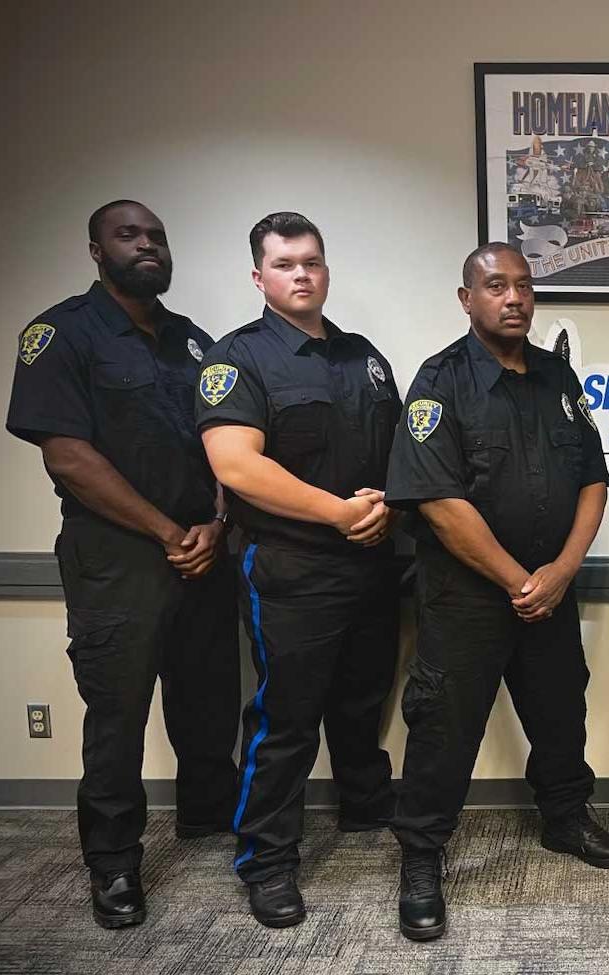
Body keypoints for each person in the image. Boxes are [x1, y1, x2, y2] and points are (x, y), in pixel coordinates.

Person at [5, 200, 239, 929]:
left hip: (203, 551)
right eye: (128, 235)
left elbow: (228, 442)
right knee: (118, 715)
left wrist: (217, 523)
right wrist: (170, 530)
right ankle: (113, 865)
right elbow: (68, 456)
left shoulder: (193, 343)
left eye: (157, 236)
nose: (146, 245)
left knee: (207, 697)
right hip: (117, 558)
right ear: (96, 250)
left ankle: (208, 818)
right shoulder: (61, 335)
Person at [385, 243, 609, 943]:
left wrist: (562, 569)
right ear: (467, 299)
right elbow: (437, 500)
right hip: (467, 597)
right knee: (445, 725)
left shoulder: (557, 376)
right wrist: (519, 579)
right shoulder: (441, 382)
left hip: (550, 588)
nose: (514, 297)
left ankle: (565, 819)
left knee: (560, 709)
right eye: (496, 285)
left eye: (524, 285)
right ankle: (423, 857)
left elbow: (592, 476)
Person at [196, 212, 401, 929]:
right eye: (285, 264)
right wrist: (339, 513)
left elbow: (396, 448)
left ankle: (366, 805)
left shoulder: (362, 356)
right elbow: (236, 464)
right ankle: (268, 859)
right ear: (260, 277)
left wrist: (381, 509)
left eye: (311, 261)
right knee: (286, 720)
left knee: (362, 697)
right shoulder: (238, 359)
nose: (301, 274)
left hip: (374, 561)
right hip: (293, 566)